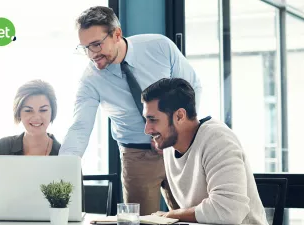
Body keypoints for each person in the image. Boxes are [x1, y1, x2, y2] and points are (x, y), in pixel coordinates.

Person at [59, 6, 202, 215]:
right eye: (85, 48)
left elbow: (192, 88)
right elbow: (80, 126)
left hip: (178, 147)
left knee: (190, 215)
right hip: (136, 155)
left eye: (97, 45)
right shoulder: (90, 79)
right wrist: (65, 167)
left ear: (117, 34)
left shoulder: (159, 47)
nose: (92, 54)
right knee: (141, 220)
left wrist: (178, 134)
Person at [141, 78, 268, 225]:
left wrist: (173, 214)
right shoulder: (170, 145)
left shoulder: (217, 140)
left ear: (179, 116)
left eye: (153, 120)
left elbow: (229, 211)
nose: (147, 129)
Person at [0, 79, 61, 195]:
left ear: (52, 112)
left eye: (43, 110)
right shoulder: (2, 148)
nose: (36, 117)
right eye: (28, 110)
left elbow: (75, 204)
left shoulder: (64, 154)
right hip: (3, 213)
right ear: (19, 113)